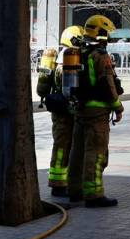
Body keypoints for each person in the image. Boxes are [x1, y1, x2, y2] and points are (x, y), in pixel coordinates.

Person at [76, 15, 124, 207]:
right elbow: (107, 84)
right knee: (96, 154)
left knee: (77, 152)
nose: (108, 38)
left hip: (81, 109)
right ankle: (94, 194)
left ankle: (74, 189)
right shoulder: (100, 55)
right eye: (107, 33)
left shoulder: (78, 50)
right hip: (97, 112)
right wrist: (117, 107)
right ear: (100, 32)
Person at [44, 26, 88, 202]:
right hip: (64, 111)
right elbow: (69, 89)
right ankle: (57, 184)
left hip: (61, 109)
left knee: (65, 146)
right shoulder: (67, 59)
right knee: (62, 147)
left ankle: (65, 182)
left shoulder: (64, 57)